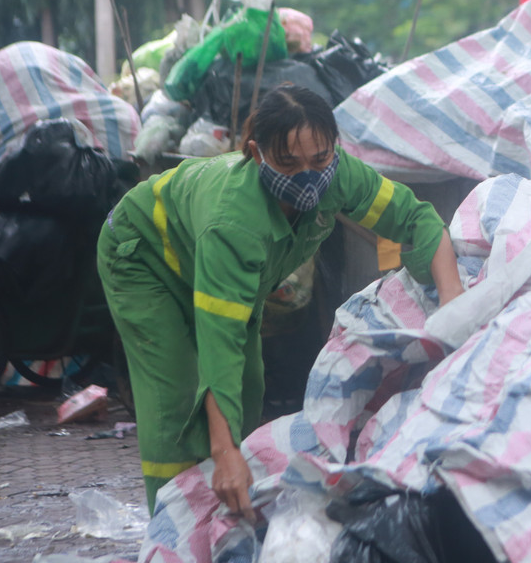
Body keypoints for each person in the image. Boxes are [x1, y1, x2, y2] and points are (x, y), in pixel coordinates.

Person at [96, 84, 464, 517]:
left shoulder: (340, 175)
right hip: (146, 260)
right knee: (176, 402)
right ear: (256, 153)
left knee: (249, 389)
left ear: (334, 149)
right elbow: (221, 344)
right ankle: (172, 527)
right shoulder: (235, 222)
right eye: (288, 164)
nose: (308, 176)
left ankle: (227, 507)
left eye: (319, 159)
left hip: (214, 265)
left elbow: (416, 218)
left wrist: (455, 308)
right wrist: (225, 450)